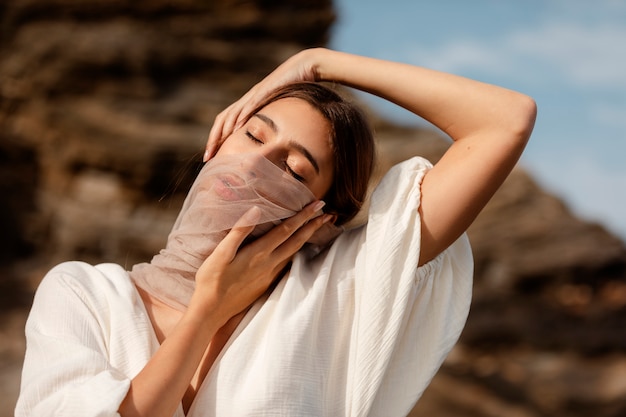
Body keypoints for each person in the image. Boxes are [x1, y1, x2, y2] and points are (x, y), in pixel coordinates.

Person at [16, 48, 536, 417]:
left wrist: (316, 61)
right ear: (217, 142)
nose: (255, 165)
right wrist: (207, 309)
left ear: (320, 216)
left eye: (294, 169)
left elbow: (505, 120)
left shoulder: (338, 290)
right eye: (254, 136)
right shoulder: (83, 293)